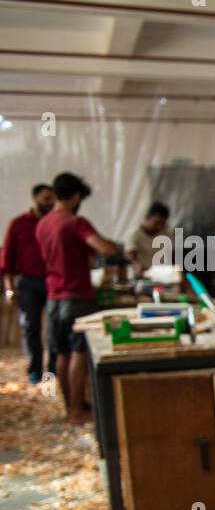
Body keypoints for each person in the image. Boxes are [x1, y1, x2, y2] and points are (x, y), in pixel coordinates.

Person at [34, 172, 123, 424]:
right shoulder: (75, 222)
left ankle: (69, 408)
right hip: (77, 296)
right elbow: (103, 248)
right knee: (80, 352)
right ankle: (77, 411)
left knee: (61, 353)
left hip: (54, 297)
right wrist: (114, 246)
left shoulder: (43, 224)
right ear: (74, 197)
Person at [2, 183, 57, 383]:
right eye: (46, 199)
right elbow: (7, 259)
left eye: (52, 199)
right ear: (35, 199)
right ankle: (34, 369)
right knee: (30, 326)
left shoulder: (55, 223)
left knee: (54, 327)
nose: (50, 203)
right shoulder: (18, 224)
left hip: (53, 280)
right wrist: (9, 287)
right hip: (29, 282)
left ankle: (53, 369)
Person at [126, 201, 171, 277]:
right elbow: (131, 255)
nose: (159, 227)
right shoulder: (134, 234)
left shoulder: (165, 234)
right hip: (142, 275)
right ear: (147, 217)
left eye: (162, 224)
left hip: (162, 275)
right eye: (156, 222)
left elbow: (171, 255)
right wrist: (138, 267)